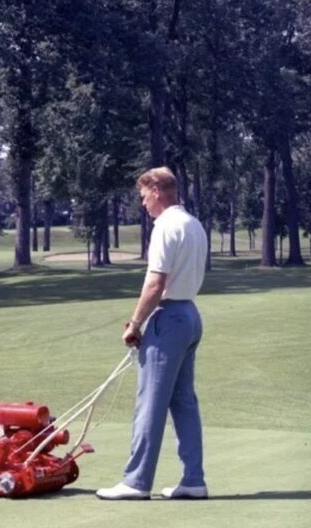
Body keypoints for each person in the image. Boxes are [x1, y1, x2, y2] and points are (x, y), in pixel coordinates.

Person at [97, 167, 209, 501]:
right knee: (183, 401)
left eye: (144, 196)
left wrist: (134, 324)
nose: (143, 203)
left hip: (169, 318)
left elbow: (155, 283)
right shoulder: (193, 223)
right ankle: (193, 479)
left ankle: (136, 481)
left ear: (157, 191)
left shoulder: (165, 227)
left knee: (150, 403)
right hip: (190, 315)